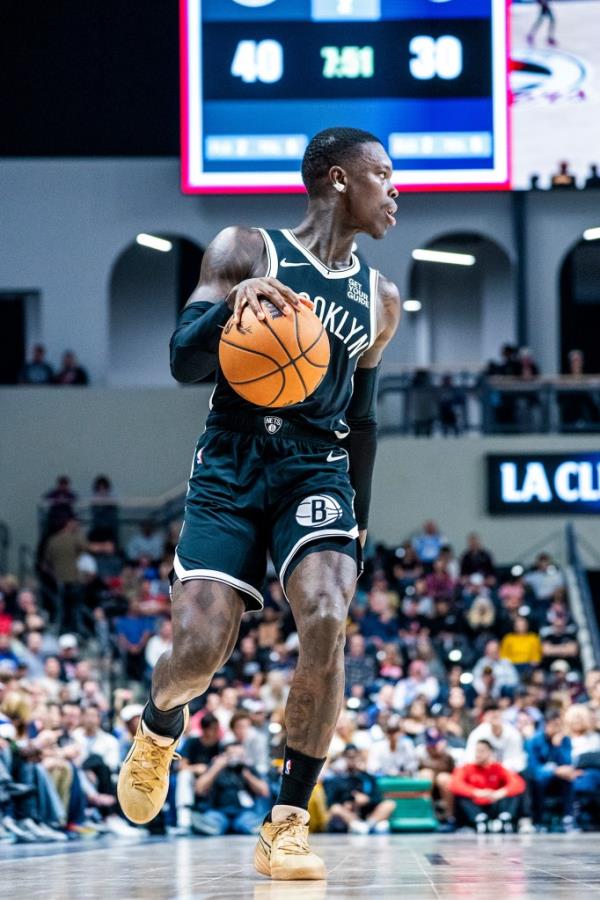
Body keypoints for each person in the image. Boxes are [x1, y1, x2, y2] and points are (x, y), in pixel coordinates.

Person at [117, 126, 401, 882]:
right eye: (382, 175)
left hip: (317, 468)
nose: (395, 191)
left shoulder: (380, 298)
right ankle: (158, 725)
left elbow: (364, 419)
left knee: (328, 614)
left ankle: (287, 824)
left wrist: (360, 519)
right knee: (200, 651)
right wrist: (228, 308)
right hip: (235, 457)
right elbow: (183, 359)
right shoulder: (245, 249)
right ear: (339, 180)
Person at [449, 740, 526, 832]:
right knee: (461, 797)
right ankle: (480, 820)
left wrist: (501, 793)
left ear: (490, 753)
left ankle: (504, 819)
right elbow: (455, 784)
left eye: (482, 751)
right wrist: (476, 792)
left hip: (493, 803)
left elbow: (518, 783)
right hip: (476, 804)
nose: (478, 754)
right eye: (477, 751)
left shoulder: (497, 768)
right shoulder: (467, 768)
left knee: (513, 794)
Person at [326, 744, 395, 834]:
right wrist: (348, 802)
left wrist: (367, 800)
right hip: (350, 815)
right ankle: (359, 825)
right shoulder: (338, 779)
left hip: (369, 813)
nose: (352, 760)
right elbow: (331, 802)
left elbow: (378, 797)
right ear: (344, 758)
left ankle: (368, 826)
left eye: (354, 756)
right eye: (349, 757)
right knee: (335, 808)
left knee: (389, 804)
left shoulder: (368, 777)